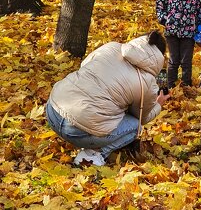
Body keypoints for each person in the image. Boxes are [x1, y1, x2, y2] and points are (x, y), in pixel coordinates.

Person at [45, 30, 171, 166]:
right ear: (160, 57)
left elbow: (85, 65)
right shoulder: (147, 82)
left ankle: (87, 140)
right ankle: (93, 156)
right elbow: (142, 117)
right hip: (75, 130)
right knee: (136, 126)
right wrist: (158, 104)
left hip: (53, 109)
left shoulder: (111, 47)